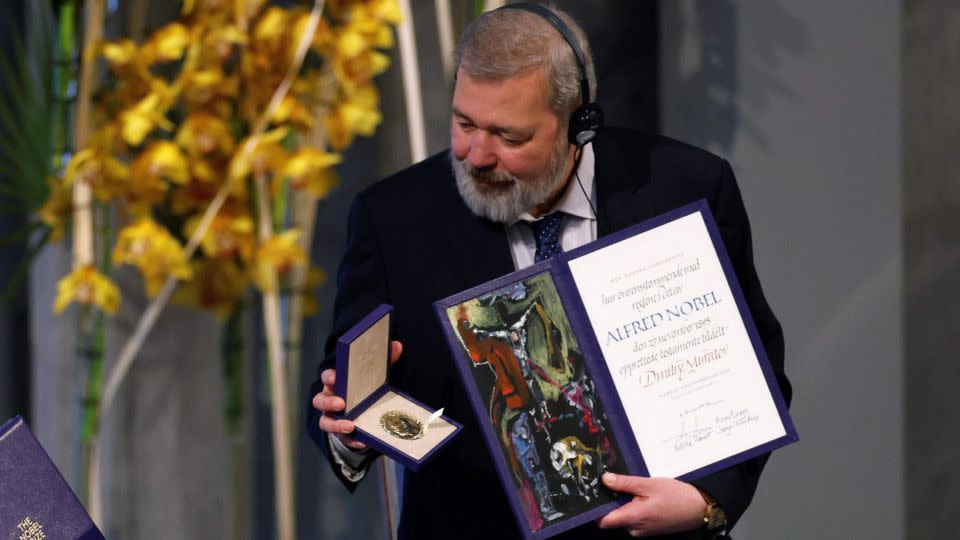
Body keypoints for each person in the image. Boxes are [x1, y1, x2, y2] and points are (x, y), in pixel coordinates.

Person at [309, 4, 790, 539]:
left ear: (578, 124)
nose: (476, 155)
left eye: (509, 137)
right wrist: (348, 426)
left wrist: (705, 500)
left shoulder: (685, 186)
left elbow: (755, 370)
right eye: (464, 123)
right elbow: (344, 388)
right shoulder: (393, 216)